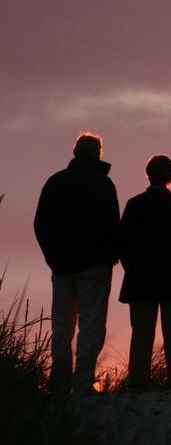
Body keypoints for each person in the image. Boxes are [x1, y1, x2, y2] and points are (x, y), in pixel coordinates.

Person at [34, 132, 120, 395]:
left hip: (60, 266)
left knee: (61, 324)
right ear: (98, 154)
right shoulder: (103, 184)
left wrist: (52, 255)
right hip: (94, 266)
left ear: (74, 153)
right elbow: (111, 225)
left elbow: (40, 223)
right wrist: (109, 256)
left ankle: (59, 382)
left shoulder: (55, 182)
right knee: (91, 323)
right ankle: (83, 382)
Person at [119, 154, 171, 390]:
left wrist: (131, 267)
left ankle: (138, 383)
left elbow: (122, 242)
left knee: (142, 333)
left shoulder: (134, 205)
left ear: (148, 174)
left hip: (140, 280)